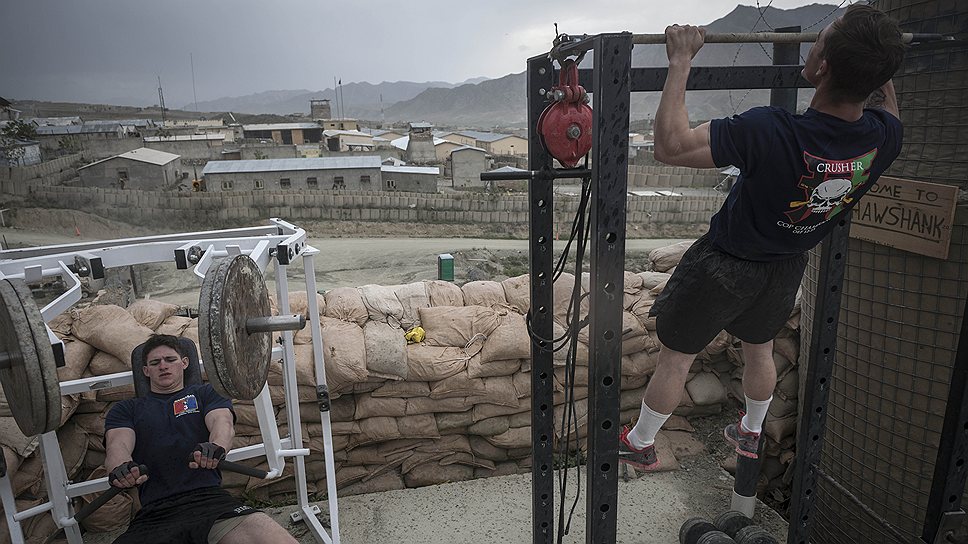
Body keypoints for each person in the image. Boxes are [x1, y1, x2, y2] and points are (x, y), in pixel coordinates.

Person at [619, 5, 905, 470]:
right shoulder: (883, 138)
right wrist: (880, 66)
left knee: (677, 358)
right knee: (761, 349)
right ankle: (751, 432)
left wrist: (681, 62)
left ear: (821, 66)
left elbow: (670, 146)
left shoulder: (771, 130)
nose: (811, 47)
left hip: (724, 264)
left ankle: (642, 441)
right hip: (787, 265)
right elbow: (890, 109)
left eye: (820, 41)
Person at [104, 334, 298, 544]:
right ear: (145, 371)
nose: (163, 366)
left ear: (185, 363)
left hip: (209, 502)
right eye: (155, 362)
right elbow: (117, 444)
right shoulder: (126, 409)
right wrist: (121, 468)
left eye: (170, 360)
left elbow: (222, 423)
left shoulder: (206, 394)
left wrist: (216, 447)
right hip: (155, 514)